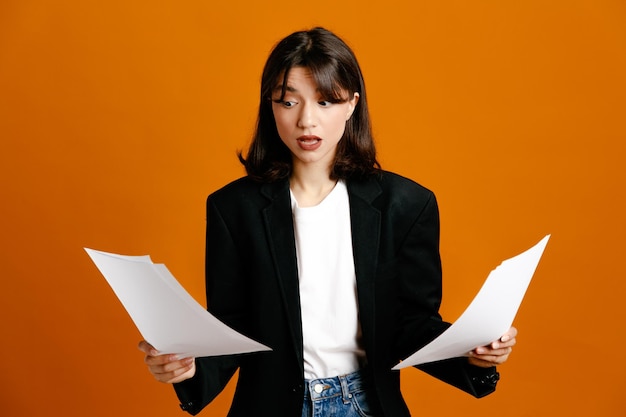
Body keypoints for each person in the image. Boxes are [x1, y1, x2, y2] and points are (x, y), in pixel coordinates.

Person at [138, 27, 517, 416]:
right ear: (270, 106)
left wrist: (474, 354)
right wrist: (185, 369)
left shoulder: (405, 205)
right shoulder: (233, 208)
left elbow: (412, 325)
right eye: (288, 102)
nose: (306, 121)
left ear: (352, 105)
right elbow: (232, 329)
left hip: (365, 403)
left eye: (325, 102)